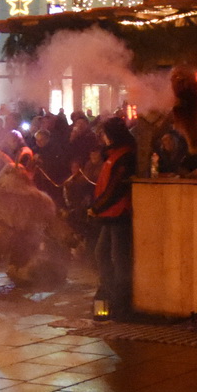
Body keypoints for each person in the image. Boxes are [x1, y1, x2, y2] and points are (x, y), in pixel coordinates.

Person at [89, 117, 135, 318]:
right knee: (102, 253)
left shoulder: (125, 156)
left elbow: (115, 188)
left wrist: (97, 207)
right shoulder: (114, 154)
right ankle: (108, 291)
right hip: (109, 214)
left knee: (119, 258)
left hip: (119, 213)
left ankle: (121, 300)